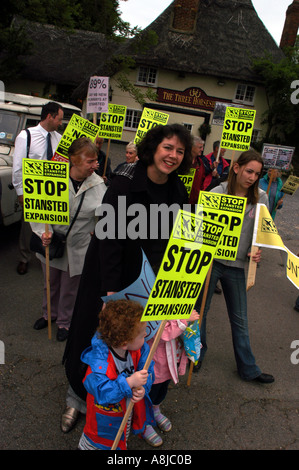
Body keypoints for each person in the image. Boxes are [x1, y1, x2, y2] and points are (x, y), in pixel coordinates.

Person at [61, 123, 192, 433]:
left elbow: (185, 238)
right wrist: (110, 295)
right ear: (153, 149)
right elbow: (109, 242)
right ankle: (76, 399)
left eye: (179, 151)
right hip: (109, 278)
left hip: (149, 282)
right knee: (95, 338)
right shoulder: (124, 182)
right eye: (167, 148)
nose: (172, 156)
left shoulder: (177, 189)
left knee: (134, 346)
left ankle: (124, 407)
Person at [194, 149, 275, 384]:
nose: (252, 177)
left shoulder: (261, 198)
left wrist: (257, 249)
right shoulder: (216, 192)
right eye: (249, 171)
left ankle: (248, 368)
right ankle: (196, 356)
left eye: (257, 174)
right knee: (200, 314)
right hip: (211, 263)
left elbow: (262, 233)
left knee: (240, 319)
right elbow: (199, 226)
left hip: (239, 266)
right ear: (237, 168)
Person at [31, 137, 106, 341]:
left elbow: (105, 216)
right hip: (52, 242)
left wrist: (97, 231)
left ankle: (65, 322)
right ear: (73, 160)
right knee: (50, 284)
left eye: (95, 160)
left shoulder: (99, 185)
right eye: (89, 161)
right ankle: (49, 315)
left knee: (70, 289)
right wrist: (41, 232)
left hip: (79, 246)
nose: (94, 165)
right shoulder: (53, 178)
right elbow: (38, 208)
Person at [78, 299, 155, 450]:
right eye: (141, 335)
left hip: (125, 415)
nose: (146, 334)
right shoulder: (98, 363)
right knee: (97, 446)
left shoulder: (141, 349)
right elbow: (102, 393)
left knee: (121, 439)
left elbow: (149, 371)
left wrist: (144, 387)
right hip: (101, 426)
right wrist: (129, 383)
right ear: (125, 343)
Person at [12, 101, 64, 275]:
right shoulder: (26, 136)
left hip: (53, 191)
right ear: (50, 116)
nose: (60, 123)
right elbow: (18, 167)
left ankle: (45, 257)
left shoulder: (59, 138)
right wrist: (21, 193)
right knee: (28, 227)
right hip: (32, 190)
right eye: (59, 119)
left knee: (49, 226)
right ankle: (24, 258)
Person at [142, 310, 199, 447]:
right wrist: (184, 320)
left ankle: (156, 410)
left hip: (170, 360)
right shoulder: (151, 305)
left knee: (162, 389)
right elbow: (161, 334)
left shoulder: (175, 302)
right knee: (149, 393)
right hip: (154, 362)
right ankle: (144, 422)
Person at [188, 136, 205, 205]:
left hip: (194, 202)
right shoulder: (181, 161)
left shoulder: (200, 163)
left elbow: (202, 182)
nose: (202, 149)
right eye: (200, 147)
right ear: (192, 147)